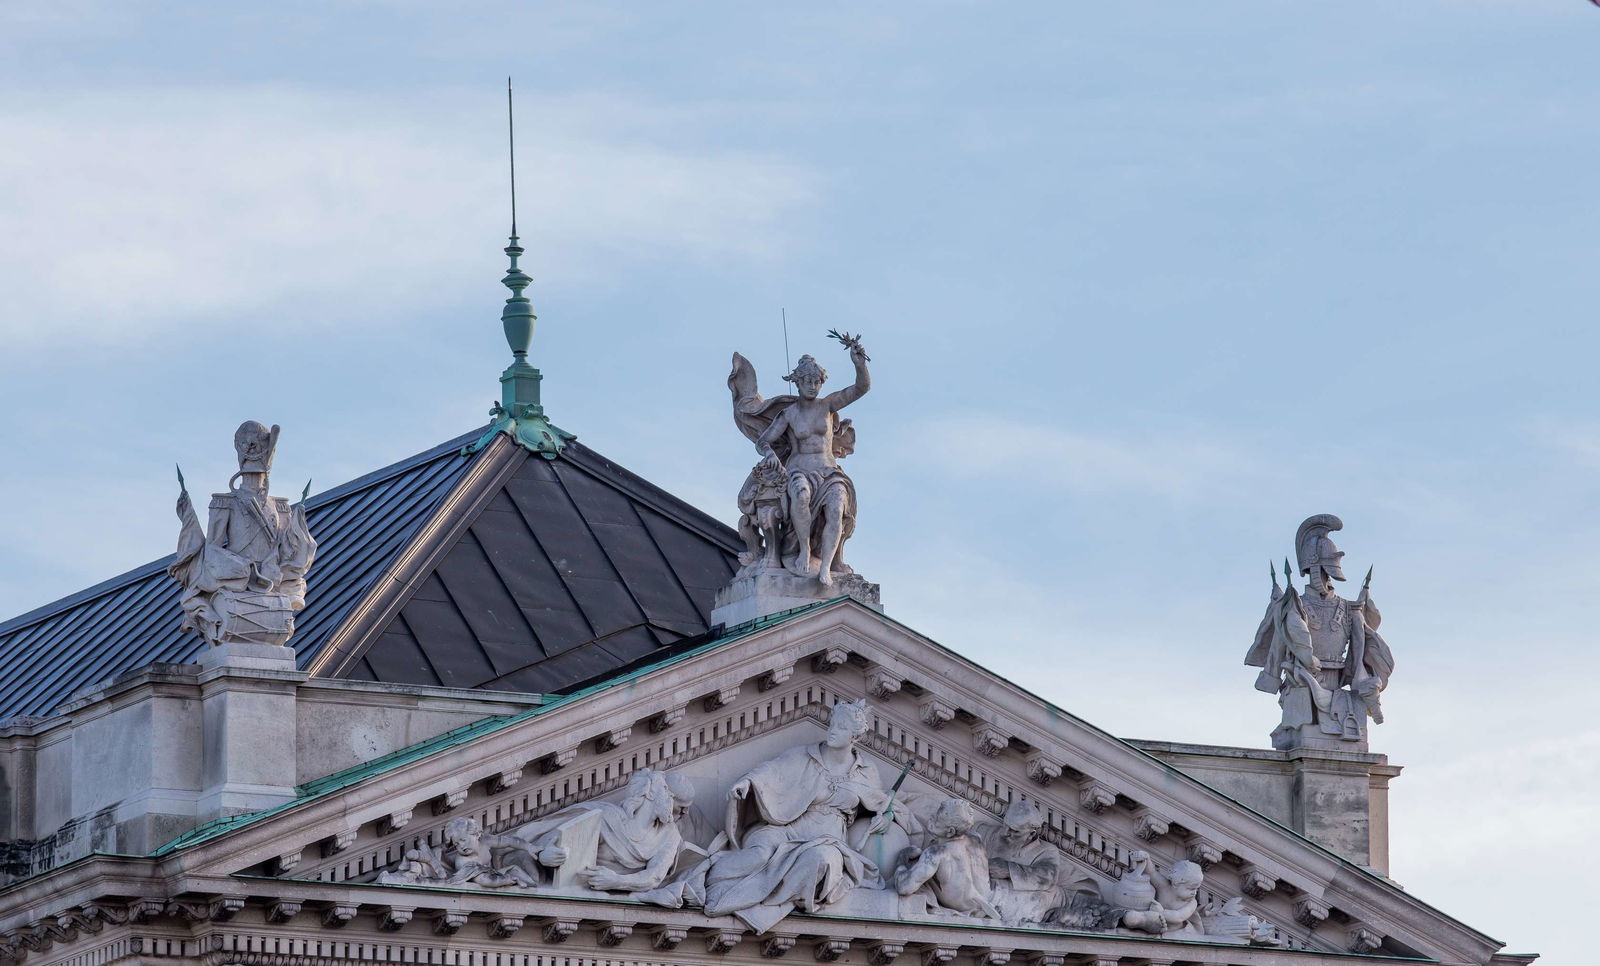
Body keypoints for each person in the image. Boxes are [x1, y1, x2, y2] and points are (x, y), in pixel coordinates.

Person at [640, 699, 894, 932]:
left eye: (841, 727)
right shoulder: (804, 756)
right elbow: (770, 771)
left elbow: (886, 803)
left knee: (821, 859)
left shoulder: (866, 772)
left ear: (855, 737)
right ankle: (694, 881)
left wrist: (887, 817)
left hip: (826, 838)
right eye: (832, 724)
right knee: (758, 855)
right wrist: (747, 783)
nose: (832, 730)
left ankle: (757, 898)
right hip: (786, 827)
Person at [893, 797, 1000, 918]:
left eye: (938, 818)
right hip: (986, 902)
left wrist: (902, 858)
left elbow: (904, 888)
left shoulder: (936, 853)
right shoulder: (976, 839)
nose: (932, 817)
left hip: (964, 908)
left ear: (950, 831)